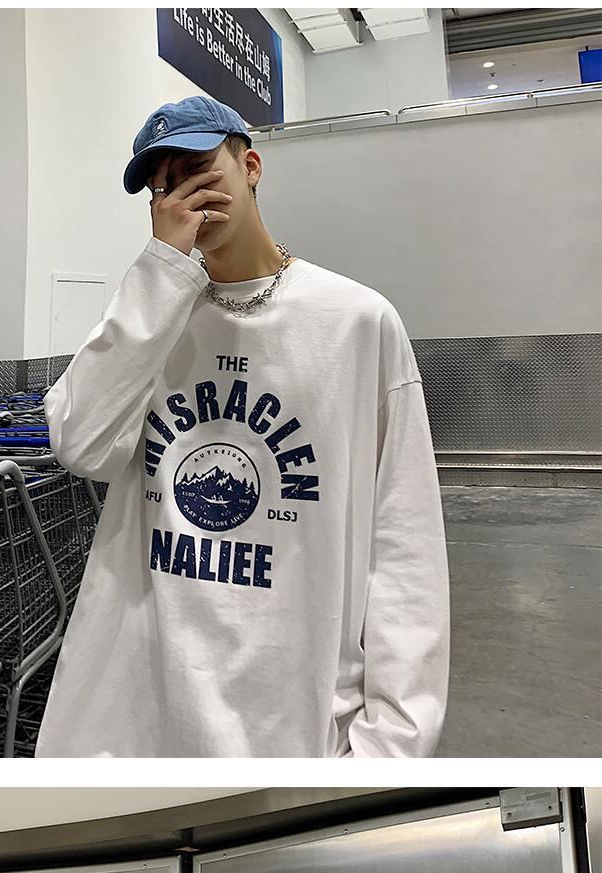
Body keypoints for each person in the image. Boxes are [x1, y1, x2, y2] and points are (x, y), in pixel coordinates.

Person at [35, 90, 449, 762]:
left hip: (292, 720)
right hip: (139, 719)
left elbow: (404, 541)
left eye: (200, 169)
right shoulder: (151, 318)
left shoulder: (356, 322)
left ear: (251, 166)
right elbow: (79, 443)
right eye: (164, 185)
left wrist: (392, 744)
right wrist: (163, 269)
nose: (185, 195)